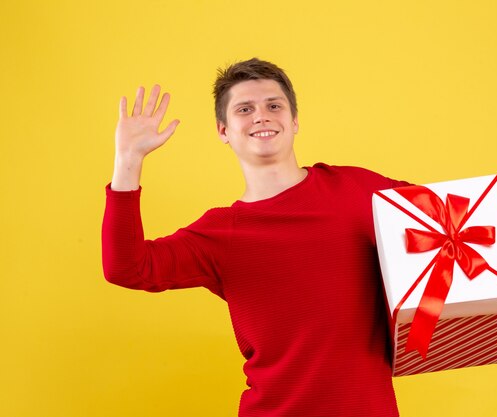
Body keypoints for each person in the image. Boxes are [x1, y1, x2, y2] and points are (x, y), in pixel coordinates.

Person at [102, 58, 411, 416]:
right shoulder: (219, 234)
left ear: (294, 121)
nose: (261, 116)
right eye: (244, 109)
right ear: (223, 131)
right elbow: (126, 267)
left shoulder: (356, 190)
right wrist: (128, 160)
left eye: (274, 105)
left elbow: (446, 225)